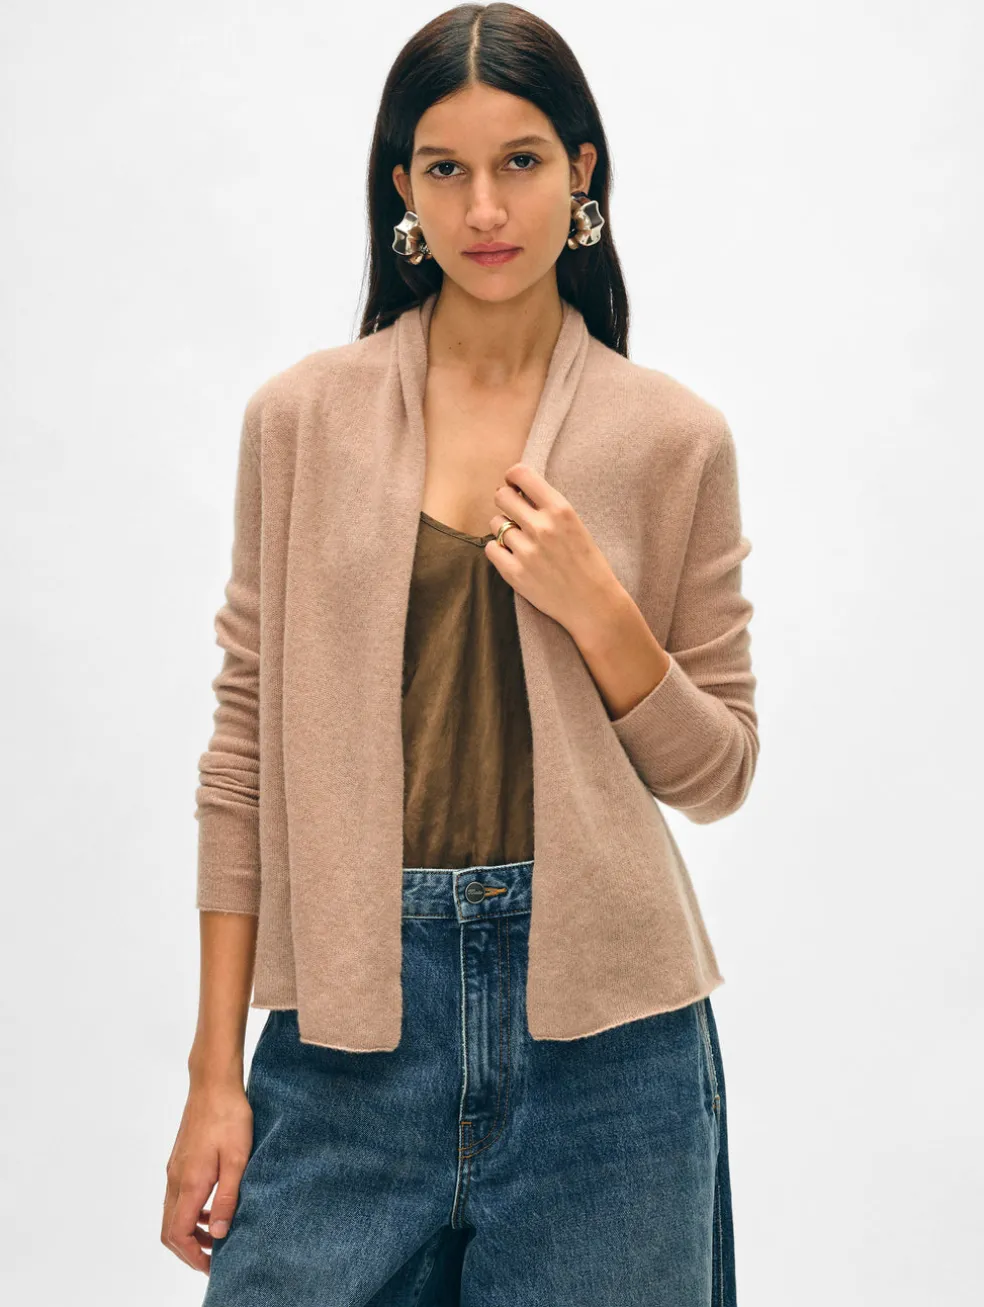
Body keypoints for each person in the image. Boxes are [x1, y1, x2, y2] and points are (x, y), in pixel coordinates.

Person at [162, 5, 758, 1303]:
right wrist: (214, 1075)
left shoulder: (674, 440)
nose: (485, 208)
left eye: (522, 162)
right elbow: (241, 758)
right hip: (348, 1030)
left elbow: (719, 772)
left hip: (612, 1052)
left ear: (581, 171)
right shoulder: (300, 422)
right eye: (447, 168)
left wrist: (600, 609)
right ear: (403, 186)